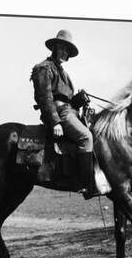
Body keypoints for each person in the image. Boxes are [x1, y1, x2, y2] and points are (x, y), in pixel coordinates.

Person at [30, 29, 95, 196]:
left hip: (69, 111)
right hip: (60, 114)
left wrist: (78, 100)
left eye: (67, 50)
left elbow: (67, 99)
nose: (64, 52)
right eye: (62, 48)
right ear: (55, 48)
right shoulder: (44, 68)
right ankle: (86, 184)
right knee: (86, 138)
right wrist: (55, 122)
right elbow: (44, 98)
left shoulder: (64, 73)